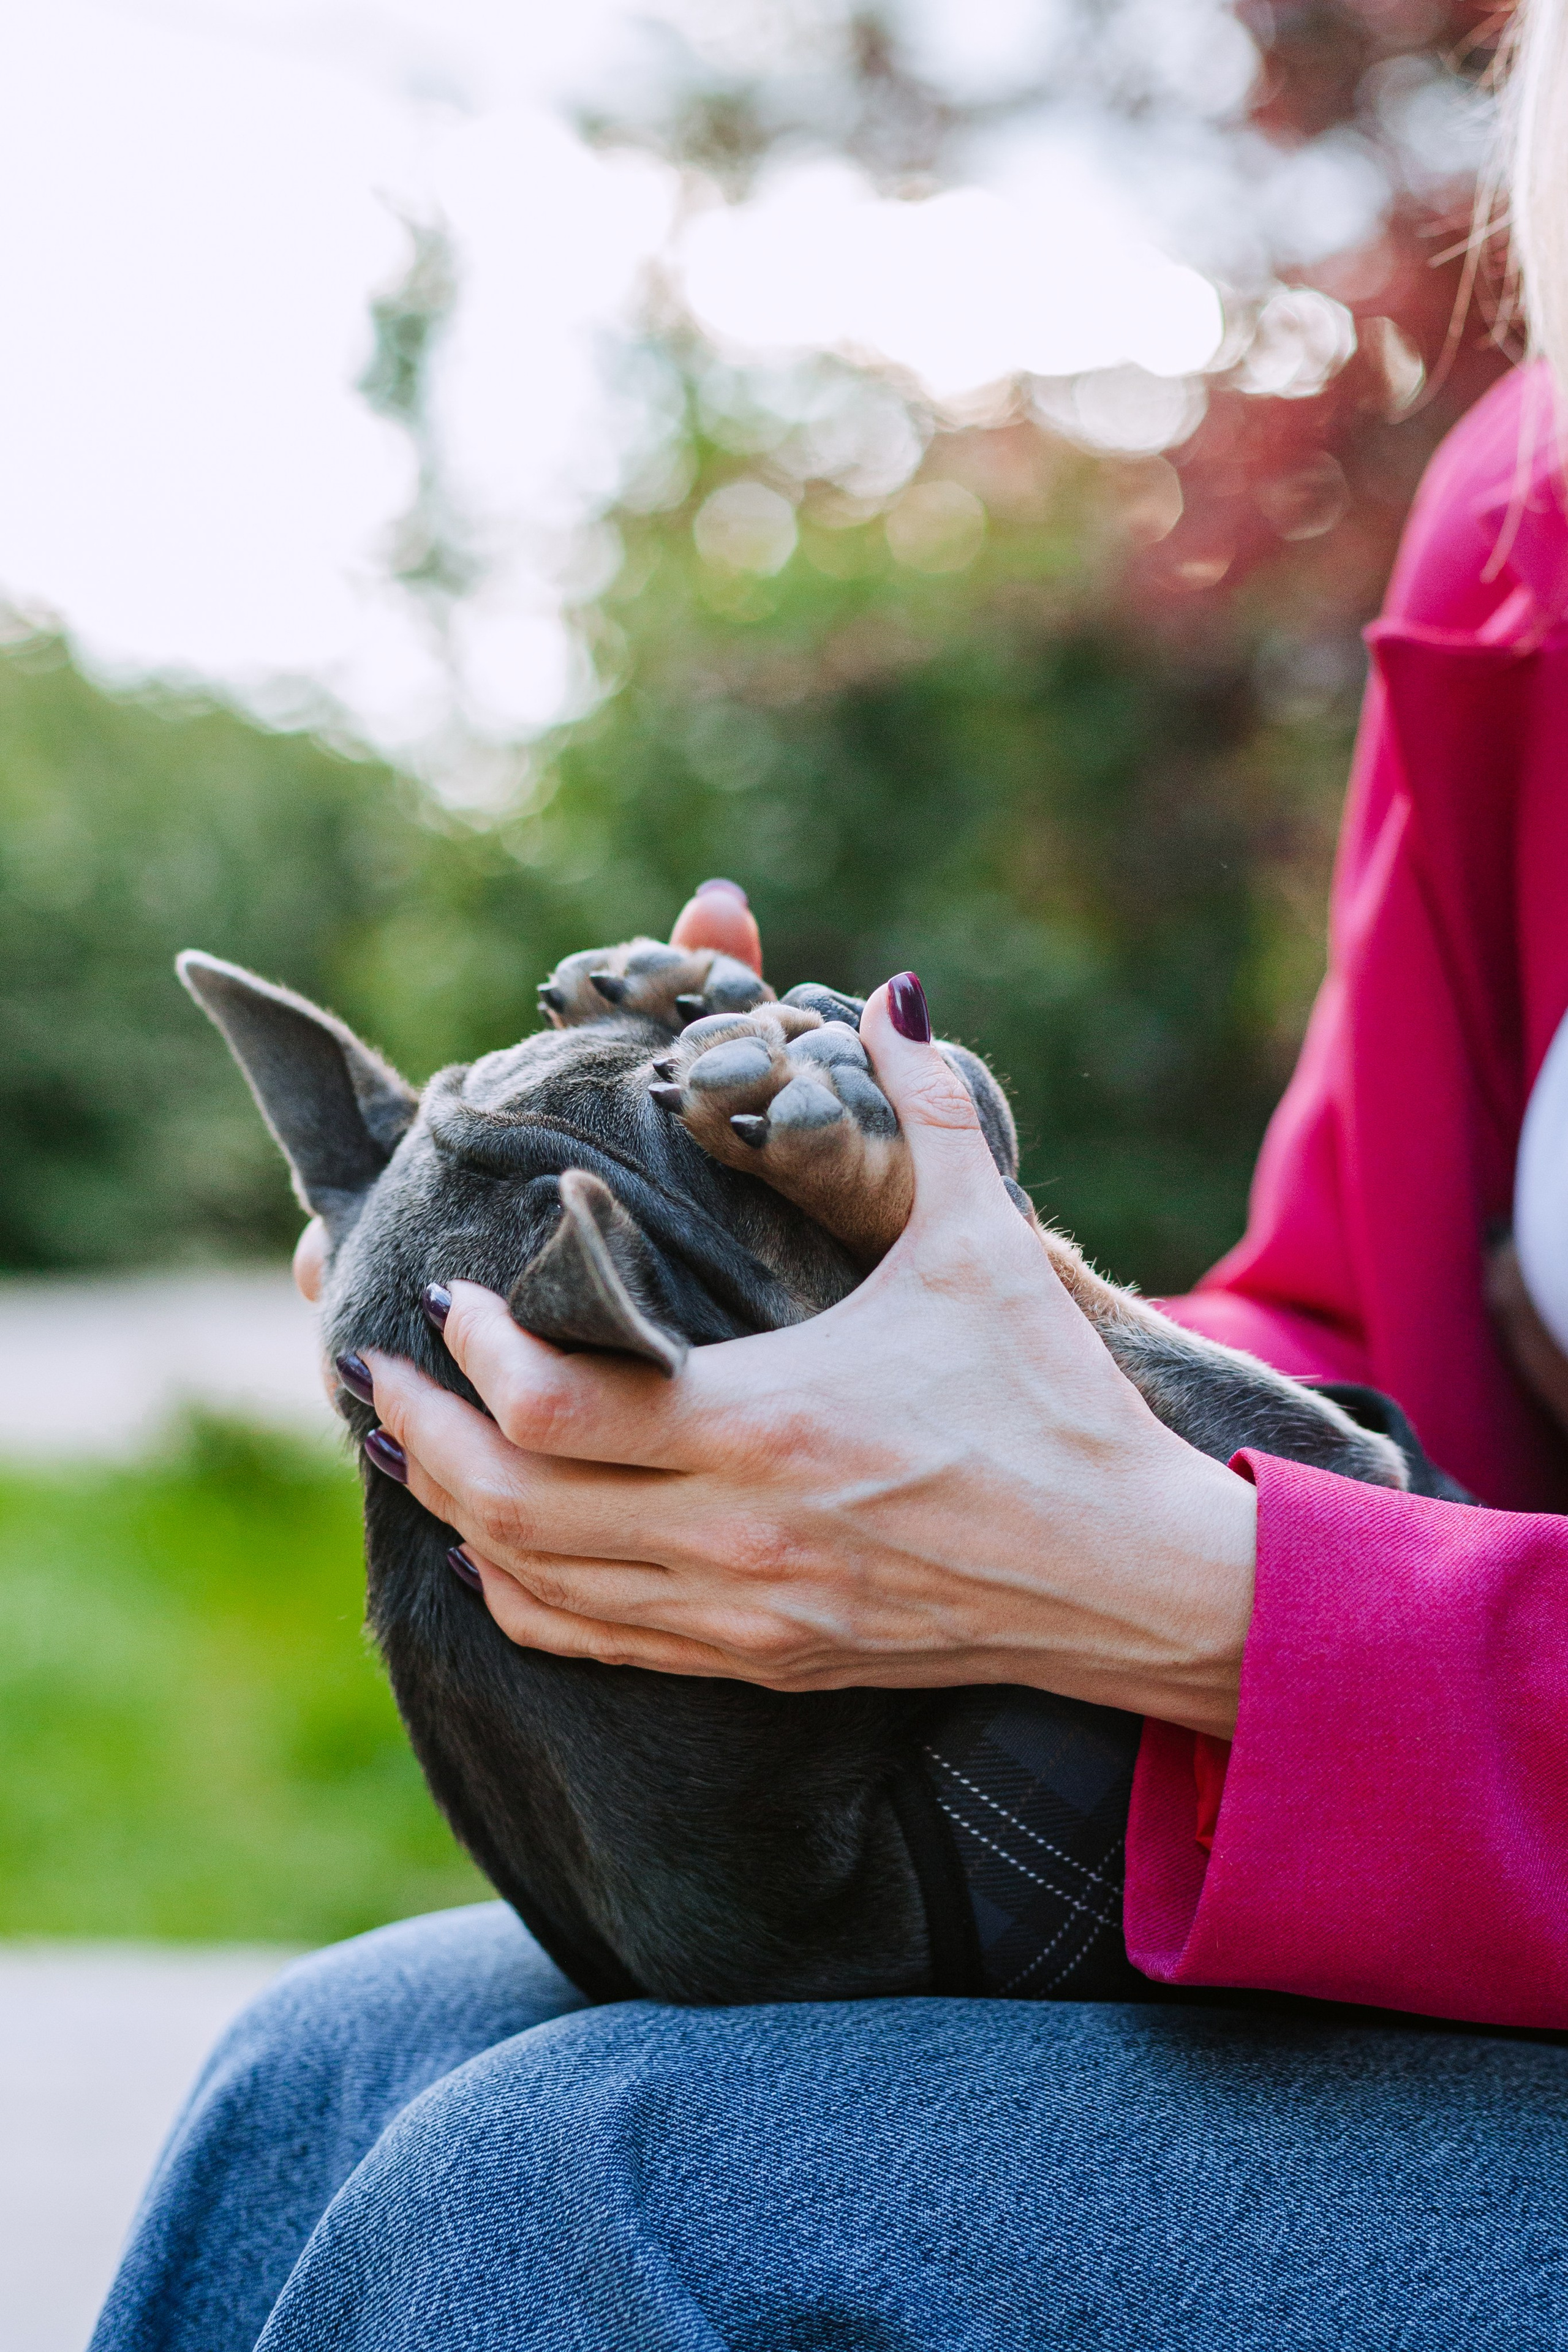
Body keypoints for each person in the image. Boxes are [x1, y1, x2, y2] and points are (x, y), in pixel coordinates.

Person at [92, 18, 1568, 2346]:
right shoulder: (1534, 513)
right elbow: (1372, 1344)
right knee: (322, 2077)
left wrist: (1195, 1598)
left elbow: (1266, 1562)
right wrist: (914, 1330)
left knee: (584, 2195)